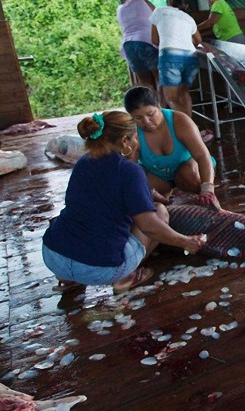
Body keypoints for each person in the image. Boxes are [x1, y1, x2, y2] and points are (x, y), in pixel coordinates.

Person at [41, 111, 206, 294]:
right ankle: (125, 277)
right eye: (136, 136)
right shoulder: (130, 170)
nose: (138, 141)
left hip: (54, 255)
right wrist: (184, 241)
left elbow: (95, 195)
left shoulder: (84, 162)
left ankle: (68, 278)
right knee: (159, 212)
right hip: (100, 269)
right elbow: (148, 225)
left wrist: (146, 194)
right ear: (125, 142)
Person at [123, 86, 219, 208]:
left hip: (191, 171)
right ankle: (164, 202)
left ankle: (210, 201)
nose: (146, 121)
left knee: (190, 174)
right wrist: (148, 192)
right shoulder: (133, 133)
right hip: (159, 177)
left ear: (159, 106)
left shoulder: (180, 121)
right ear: (132, 117)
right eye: (139, 118)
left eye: (150, 114)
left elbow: (202, 155)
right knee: (138, 186)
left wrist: (208, 190)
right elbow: (130, 170)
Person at [149, 0, 202, 118]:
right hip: (191, 57)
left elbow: (155, 40)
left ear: (168, 2)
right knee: (183, 93)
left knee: (172, 98)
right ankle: (191, 128)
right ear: (186, 6)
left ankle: (185, 131)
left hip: (170, 56)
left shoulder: (159, 12)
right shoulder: (189, 18)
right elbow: (198, 40)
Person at [116, 0, 160, 98]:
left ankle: (152, 109)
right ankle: (163, 110)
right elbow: (160, 17)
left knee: (145, 83)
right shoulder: (142, 2)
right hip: (146, 42)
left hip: (129, 45)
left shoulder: (120, 9)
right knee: (160, 78)